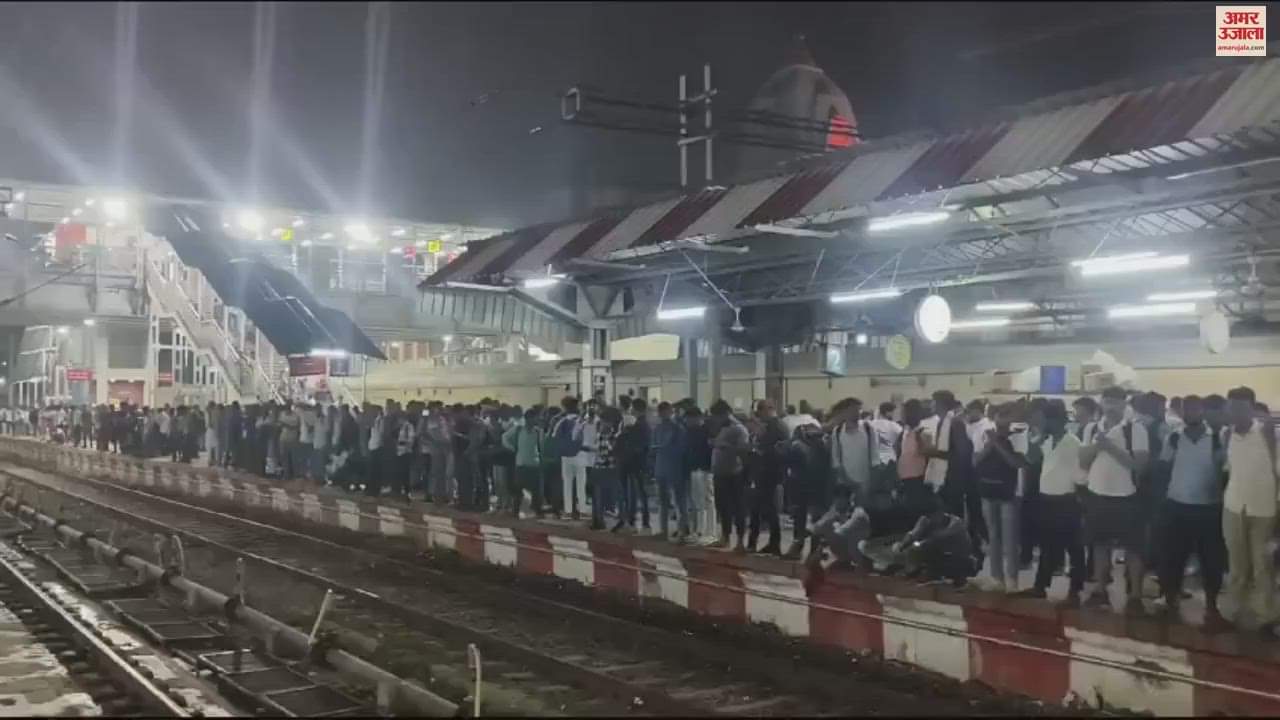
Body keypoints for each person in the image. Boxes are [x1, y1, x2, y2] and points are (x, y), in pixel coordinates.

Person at [1154, 395, 1230, 631]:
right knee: (1173, 558)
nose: (1191, 413)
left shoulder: (1217, 439)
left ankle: (1212, 606)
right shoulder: (1174, 437)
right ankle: (1170, 600)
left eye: (1196, 409)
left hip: (1209, 508)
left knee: (1211, 561)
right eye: (1188, 409)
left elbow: (1225, 470)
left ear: (1203, 411)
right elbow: (1164, 467)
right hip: (1177, 506)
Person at [1079, 385, 1150, 614]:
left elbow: (1139, 465)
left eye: (1116, 401)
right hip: (1097, 494)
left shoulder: (1135, 430)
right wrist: (1097, 446)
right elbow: (1083, 461)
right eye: (1107, 400)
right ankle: (1101, 590)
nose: (1110, 405)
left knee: (1133, 548)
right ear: (1101, 402)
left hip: (1126, 495)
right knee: (1100, 545)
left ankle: (1135, 596)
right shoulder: (1091, 428)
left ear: (1124, 403)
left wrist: (1109, 447)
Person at [1014, 401, 1087, 602]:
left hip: (1066, 500)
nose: (1041, 422)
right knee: (1047, 545)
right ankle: (1040, 586)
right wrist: (1036, 442)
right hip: (1046, 499)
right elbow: (1031, 459)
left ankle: (1075, 588)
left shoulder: (1073, 443)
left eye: (1045, 419)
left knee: (1073, 547)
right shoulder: (1045, 441)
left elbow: (1080, 474)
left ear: (1055, 421)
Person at [1222, 386, 1279, 634]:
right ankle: (1234, 612)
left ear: (1252, 409)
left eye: (1241, 408)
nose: (1235, 413)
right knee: (1236, 565)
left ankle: (1267, 617)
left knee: (1262, 566)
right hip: (1234, 506)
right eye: (1231, 407)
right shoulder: (1227, 434)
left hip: (1264, 509)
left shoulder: (1269, 434)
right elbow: (1229, 469)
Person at [974, 403, 1027, 593]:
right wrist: (990, 443)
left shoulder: (1019, 436)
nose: (1003, 419)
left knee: (1010, 538)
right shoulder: (983, 434)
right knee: (993, 536)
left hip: (1010, 493)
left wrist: (997, 443)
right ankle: (997, 577)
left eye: (1007, 415)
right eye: (999, 415)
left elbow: (1016, 463)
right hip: (988, 490)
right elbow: (975, 460)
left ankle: (1012, 579)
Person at [889, 497, 976, 588]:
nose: (930, 519)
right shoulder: (926, 519)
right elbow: (913, 534)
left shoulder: (955, 524)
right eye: (928, 516)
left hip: (962, 560)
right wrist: (901, 547)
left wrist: (919, 545)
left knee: (928, 552)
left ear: (940, 512)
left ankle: (956, 582)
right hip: (941, 557)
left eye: (933, 516)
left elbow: (936, 538)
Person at [747, 399, 787, 554]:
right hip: (762, 473)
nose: (759, 416)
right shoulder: (770, 426)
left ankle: (770, 543)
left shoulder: (776, 427)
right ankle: (759, 542)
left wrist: (758, 446)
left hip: (770, 473)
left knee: (767, 509)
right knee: (759, 509)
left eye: (760, 412)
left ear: (768, 410)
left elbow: (771, 449)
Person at [709, 400, 750, 552]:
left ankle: (740, 541)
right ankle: (725, 537)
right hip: (720, 473)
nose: (715, 419)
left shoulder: (739, 429)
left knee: (738, 507)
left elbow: (744, 450)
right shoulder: (721, 427)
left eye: (717, 416)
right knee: (722, 507)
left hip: (734, 473)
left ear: (725, 414)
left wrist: (726, 447)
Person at [652, 402, 689, 541]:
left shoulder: (677, 429)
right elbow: (653, 446)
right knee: (663, 501)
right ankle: (664, 530)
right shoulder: (658, 428)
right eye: (661, 412)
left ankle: (681, 531)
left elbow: (681, 449)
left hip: (674, 468)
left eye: (665, 411)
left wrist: (662, 448)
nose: (663, 414)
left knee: (678, 501)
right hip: (661, 468)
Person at [615, 398, 651, 532]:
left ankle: (635, 520)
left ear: (635, 409)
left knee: (637, 493)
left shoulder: (639, 426)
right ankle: (637, 520)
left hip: (634, 463)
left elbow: (637, 446)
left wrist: (625, 435)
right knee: (637, 493)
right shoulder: (643, 425)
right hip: (638, 463)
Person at [683, 407, 717, 545]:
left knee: (708, 501)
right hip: (694, 468)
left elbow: (710, 450)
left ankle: (711, 532)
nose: (686, 421)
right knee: (698, 502)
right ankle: (699, 531)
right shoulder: (690, 432)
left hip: (705, 469)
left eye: (688, 419)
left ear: (696, 418)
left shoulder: (707, 430)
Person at [504, 407, 544, 518]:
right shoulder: (518, 429)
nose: (536, 420)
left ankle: (537, 511)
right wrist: (512, 448)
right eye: (535, 418)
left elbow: (541, 447)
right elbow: (505, 437)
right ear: (528, 418)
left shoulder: (538, 431)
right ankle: (515, 511)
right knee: (518, 490)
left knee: (537, 491)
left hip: (534, 464)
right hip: (521, 464)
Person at [588, 407, 622, 530]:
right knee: (599, 495)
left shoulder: (610, 435)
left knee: (600, 495)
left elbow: (607, 452)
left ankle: (599, 520)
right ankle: (598, 520)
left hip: (604, 468)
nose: (601, 423)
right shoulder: (608, 434)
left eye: (603, 421)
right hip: (604, 467)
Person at [552, 397, 585, 519]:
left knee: (567, 484)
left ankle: (568, 510)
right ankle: (582, 510)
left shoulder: (561, 421)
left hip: (565, 456)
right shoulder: (583, 420)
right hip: (581, 455)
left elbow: (554, 437)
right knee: (581, 483)